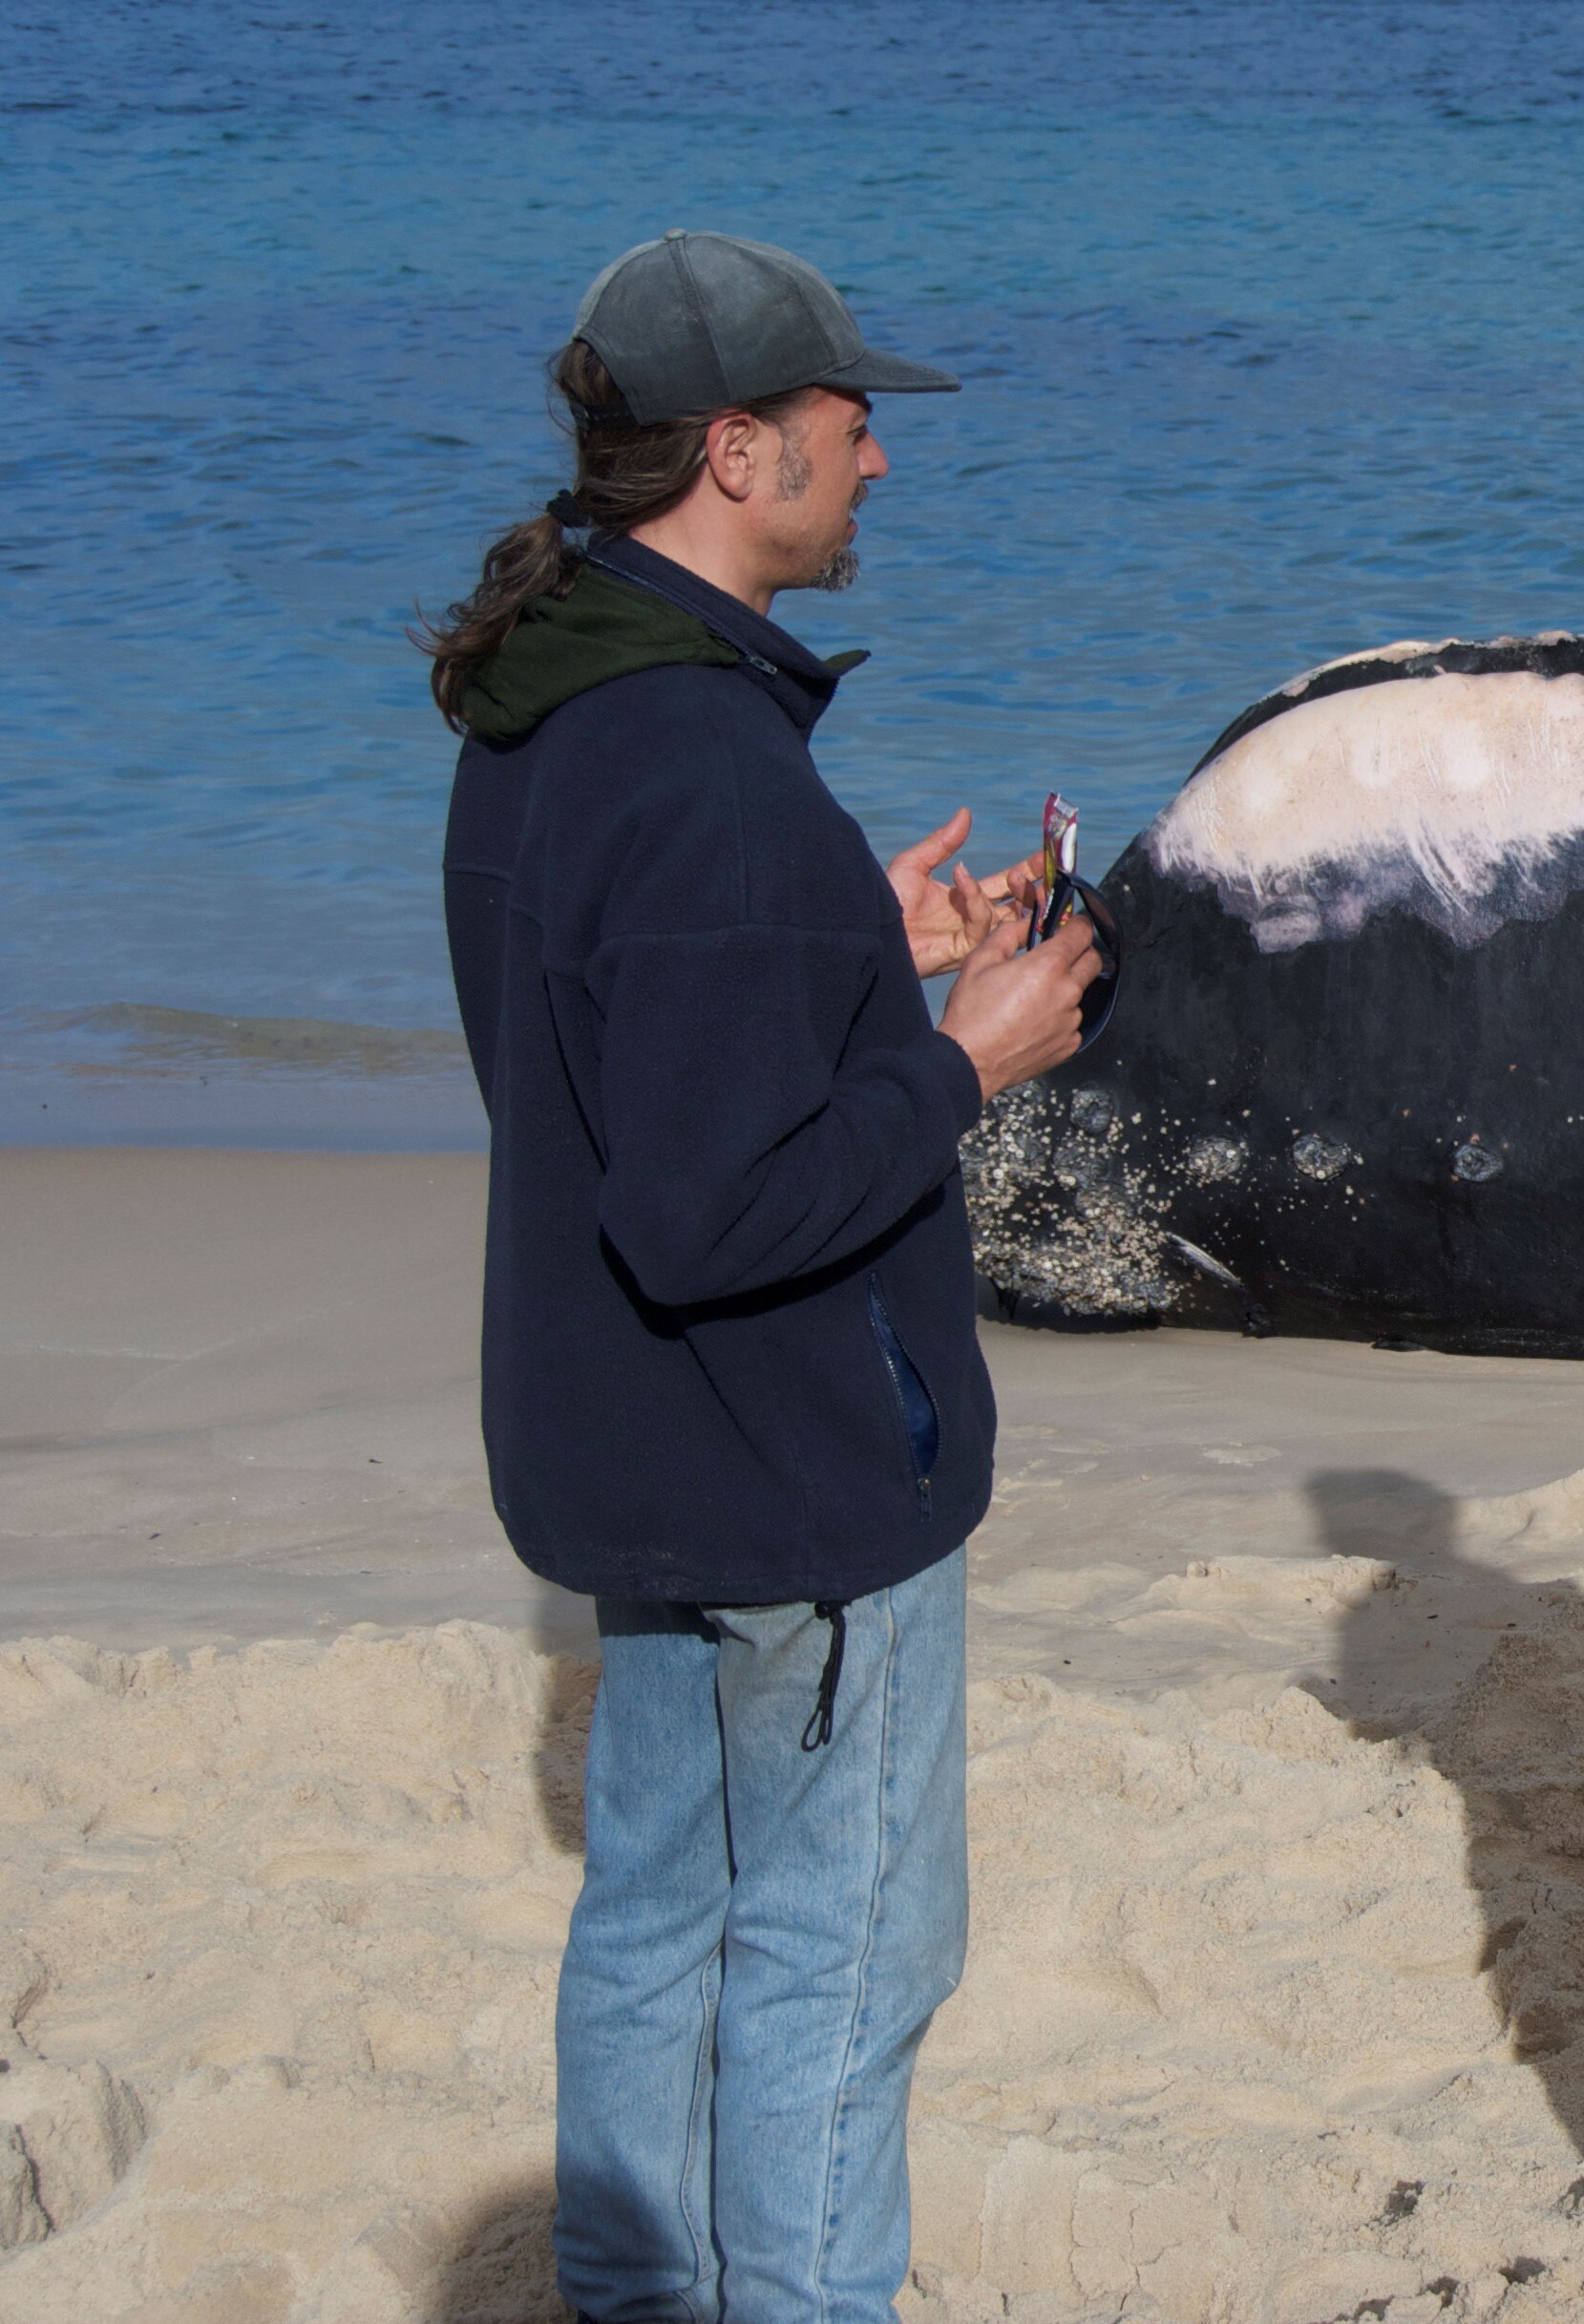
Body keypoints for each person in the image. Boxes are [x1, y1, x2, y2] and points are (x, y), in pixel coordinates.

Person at [427, 231, 1103, 2323]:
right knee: (841, 1956)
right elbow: (710, 1211)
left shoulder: (561, 711)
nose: (877, 462)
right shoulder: (709, 769)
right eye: (844, 424)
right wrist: (960, 1056)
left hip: (625, 1446)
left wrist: (851, 948)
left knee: (653, 1918)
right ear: (736, 451)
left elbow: (604, 1040)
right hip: (788, 1472)